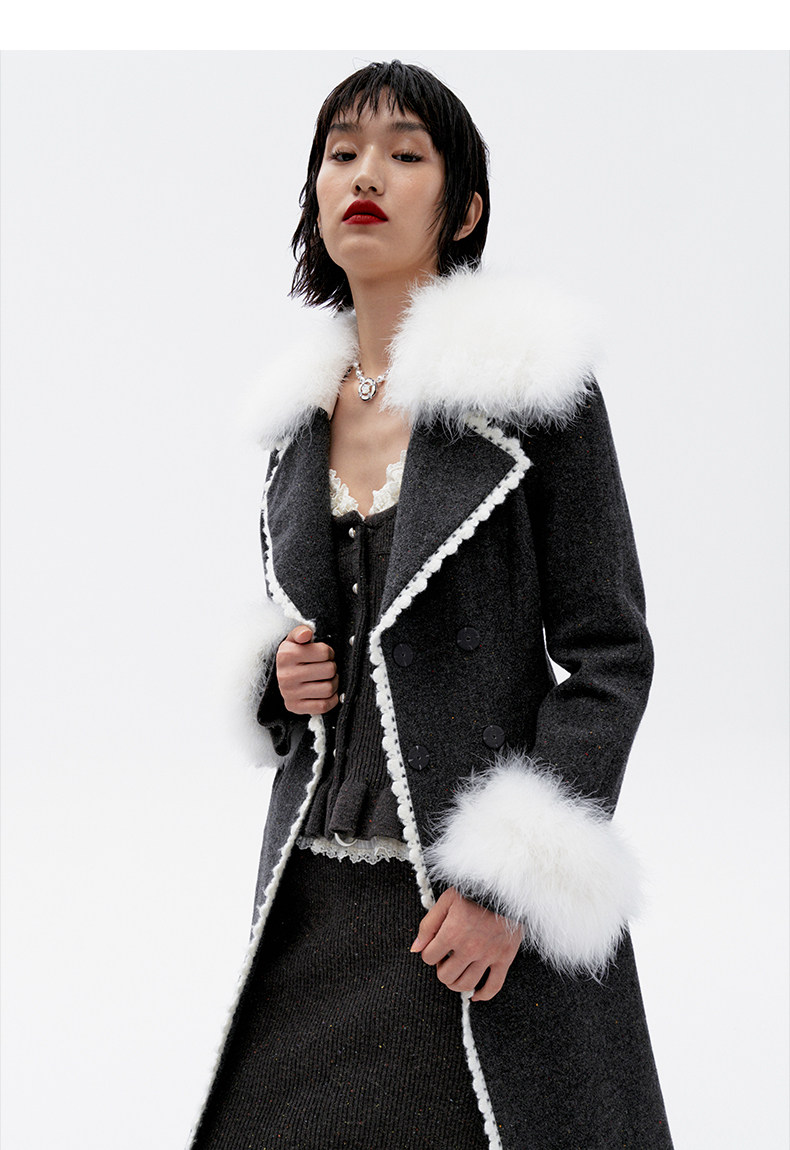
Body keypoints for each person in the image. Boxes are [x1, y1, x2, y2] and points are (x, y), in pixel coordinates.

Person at [188, 60, 674, 1150]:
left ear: (463, 210)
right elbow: (317, 644)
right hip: (311, 903)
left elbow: (610, 655)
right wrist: (277, 680)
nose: (366, 174)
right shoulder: (294, 426)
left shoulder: (536, 397)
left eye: (405, 153)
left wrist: (511, 885)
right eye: (342, 153)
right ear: (315, 195)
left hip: (465, 927)